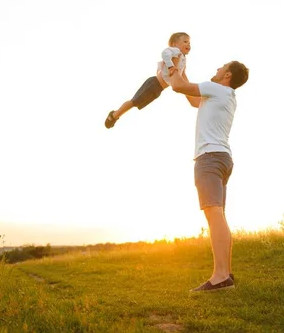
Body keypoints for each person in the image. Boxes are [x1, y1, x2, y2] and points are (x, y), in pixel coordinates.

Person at [168, 60, 249, 293]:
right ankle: (225, 273)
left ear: (228, 75)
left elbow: (177, 86)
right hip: (222, 158)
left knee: (214, 217)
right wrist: (182, 70)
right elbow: (193, 98)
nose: (216, 70)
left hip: (210, 159)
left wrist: (170, 64)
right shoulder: (225, 95)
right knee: (218, 217)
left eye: (220, 68)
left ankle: (221, 277)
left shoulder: (217, 89)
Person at [104, 32, 191, 128]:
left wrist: (190, 88)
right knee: (134, 102)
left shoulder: (183, 59)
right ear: (174, 44)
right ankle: (114, 115)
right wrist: (170, 67)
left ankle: (115, 115)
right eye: (185, 41)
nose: (188, 44)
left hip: (158, 89)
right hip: (153, 84)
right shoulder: (175, 51)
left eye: (189, 43)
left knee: (136, 104)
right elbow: (165, 53)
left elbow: (183, 77)